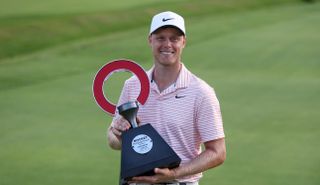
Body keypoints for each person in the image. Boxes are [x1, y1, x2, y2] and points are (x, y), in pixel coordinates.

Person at [107, 11, 226, 185]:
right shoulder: (132, 85)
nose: (167, 44)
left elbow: (218, 152)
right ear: (150, 40)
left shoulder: (201, 92)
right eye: (161, 38)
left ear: (183, 42)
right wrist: (117, 135)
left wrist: (173, 173)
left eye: (174, 38)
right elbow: (114, 142)